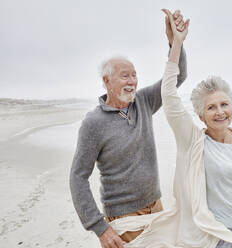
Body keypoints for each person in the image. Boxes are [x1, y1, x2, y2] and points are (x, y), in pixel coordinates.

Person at [106, 9, 232, 248]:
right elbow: (169, 93)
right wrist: (176, 43)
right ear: (201, 115)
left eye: (224, 104)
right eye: (211, 108)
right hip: (213, 235)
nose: (220, 112)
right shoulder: (193, 139)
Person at [69, 10, 187, 248]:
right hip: (123, 218)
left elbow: (177, 77)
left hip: (156, 207)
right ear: (106, 81)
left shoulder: (143, 102)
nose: (132, 81)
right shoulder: (93, 123)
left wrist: (175, 43)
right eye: (125, 76)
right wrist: (99, 227)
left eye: (135, 75)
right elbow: (78, 177)